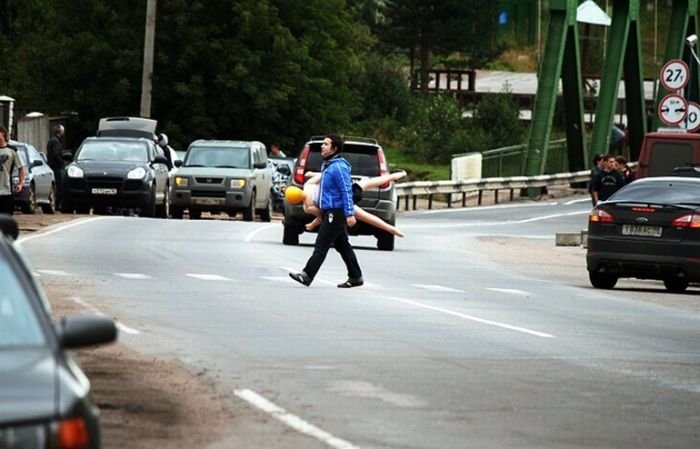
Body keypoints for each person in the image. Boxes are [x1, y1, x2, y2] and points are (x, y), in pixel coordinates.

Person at [289, 134, 363, 288]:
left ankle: (307, 275)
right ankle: (356, 276)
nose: (322, 146)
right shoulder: (328, 165)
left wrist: (349, 213)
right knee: (342, 245)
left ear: (334, 149)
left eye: (326, 144)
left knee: (321, 244)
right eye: (323, 144)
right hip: (330, 210)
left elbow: (346, 191)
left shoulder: (338, 167)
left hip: (335, 212)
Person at [302, 170, 407, 237]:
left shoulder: (308, 206)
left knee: (367, 218)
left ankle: (392, 230)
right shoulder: (308, 184)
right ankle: (398, 174)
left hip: (343, 203)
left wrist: (312, 225)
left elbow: (322, 216)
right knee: (373, 181)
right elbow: (325, 174)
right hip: (349, 191)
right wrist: (312, 174)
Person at [0, 126, 25, 216]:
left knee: (6, 217)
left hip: (7, 190)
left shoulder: (12, 150)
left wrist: (20, 183)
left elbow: (21, 168)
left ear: (2, 134)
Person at [46, 124, 65, 207]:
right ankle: (57, 204)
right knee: (59, 186)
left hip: (52, 166)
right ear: (60, 132)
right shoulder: (56, 141)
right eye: (63, 131)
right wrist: (61, 162)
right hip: (56, 167)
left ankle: (56, 203)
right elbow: (55, 154)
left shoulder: (51, 140)